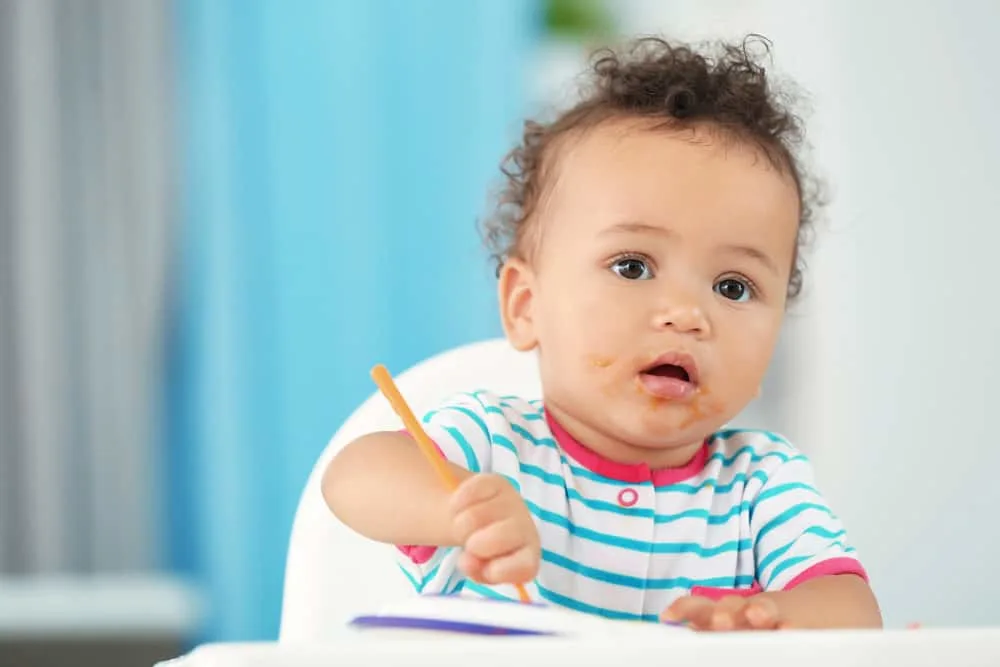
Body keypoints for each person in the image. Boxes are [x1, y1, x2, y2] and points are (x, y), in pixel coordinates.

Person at [322, 35, 882, 631]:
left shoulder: (760, 482)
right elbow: (354, 475)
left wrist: (760, 617)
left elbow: (852, 611)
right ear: (526, 305)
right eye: (632, 267)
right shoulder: (491, 441)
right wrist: (457, 508)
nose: (687, 314)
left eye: (733, 286)